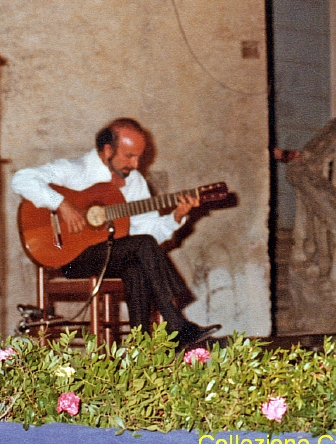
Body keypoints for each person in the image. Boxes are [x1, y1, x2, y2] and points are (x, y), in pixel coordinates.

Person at [11, 118, 221, 346]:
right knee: (141, 247)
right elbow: (21, 179)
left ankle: (141, 347)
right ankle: (177, 326)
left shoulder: (135, 182)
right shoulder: (75, 170)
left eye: (139, 156)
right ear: (107, 150)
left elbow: (149, 232)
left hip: (111, 256)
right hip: (70, 258)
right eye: (129, 155)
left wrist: (177, 216)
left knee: (137, 266)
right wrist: (62, 204)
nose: (136, 164)